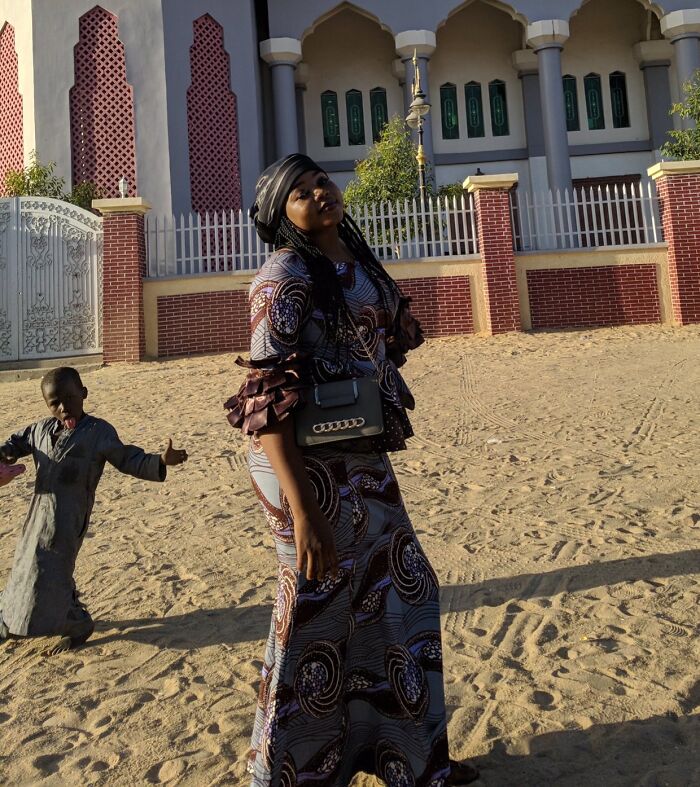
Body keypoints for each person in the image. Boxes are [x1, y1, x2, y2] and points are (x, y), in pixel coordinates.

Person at [225, 154, 479, 786]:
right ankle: (290, 771)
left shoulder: (355, 260)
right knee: (316, 604)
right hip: (299, 464)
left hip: (358, 451)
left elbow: (387, 337)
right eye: (300, 193)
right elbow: (265, 401)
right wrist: (304, 513)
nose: (318, 194)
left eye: (322, 183)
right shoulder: (282, 278)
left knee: (401, 586)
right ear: (280, 215)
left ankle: (408, 756)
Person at [0, 366, 188, 655]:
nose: (63, 408)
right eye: (54, 403)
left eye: (69, 399)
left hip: (68, 518)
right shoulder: (39, 430)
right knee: (25, 565)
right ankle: (6, 621)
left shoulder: (98, 432)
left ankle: (77, 624)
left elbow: (127, 458)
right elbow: (16, 443)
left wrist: (160, 461)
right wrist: (5, 452)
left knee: (53, 572)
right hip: (37, 515)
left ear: (83, 394)